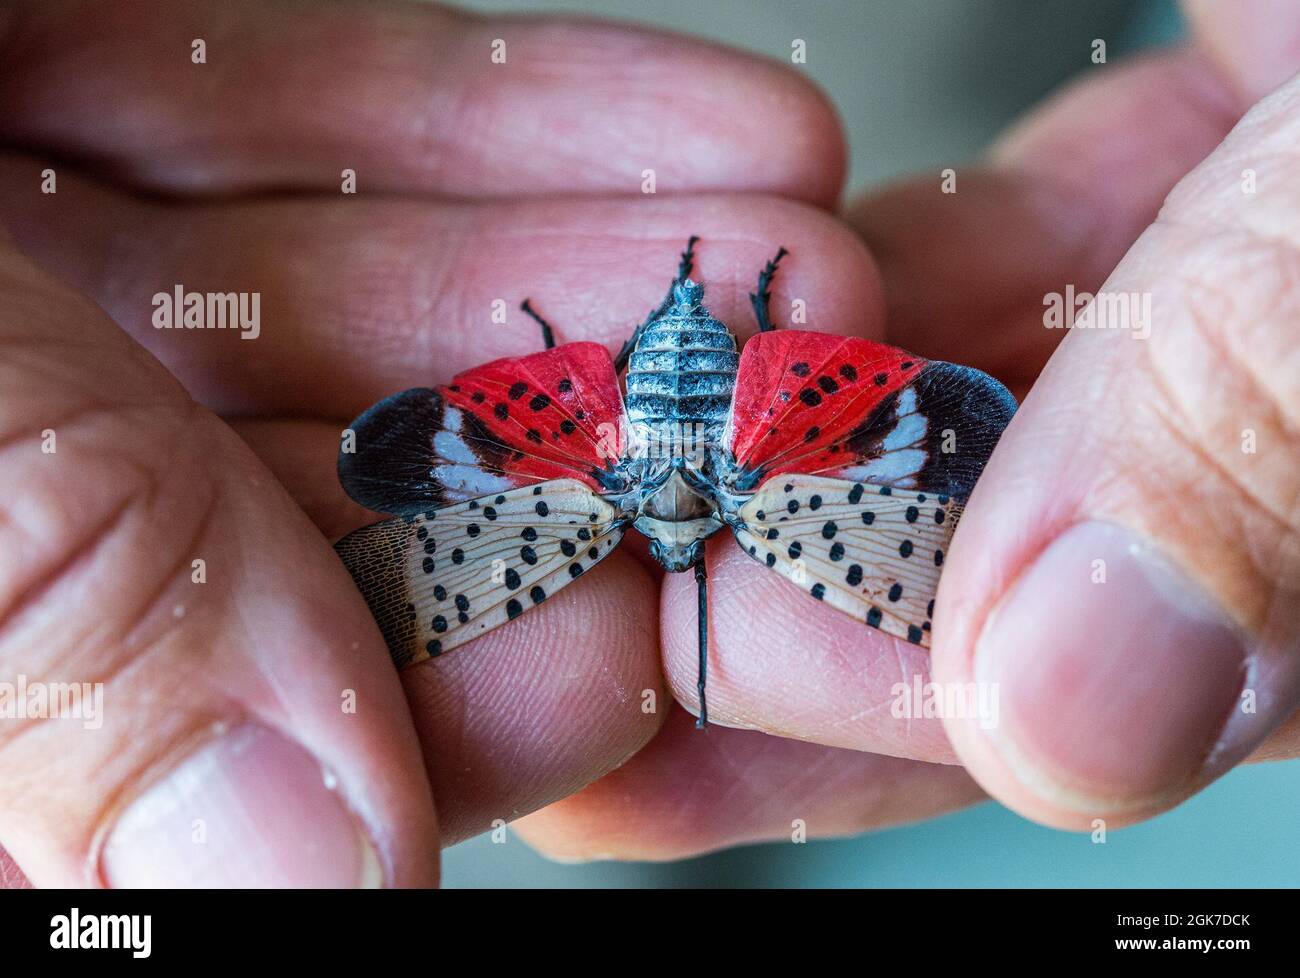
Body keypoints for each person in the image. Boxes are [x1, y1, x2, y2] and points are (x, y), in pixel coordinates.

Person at [0, 0, 1295, 887]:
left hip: (613, 433)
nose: (685, 546)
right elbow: (386, 465)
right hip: (744, 419)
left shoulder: (632, 515)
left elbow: (398, 467)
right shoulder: (771, 522)